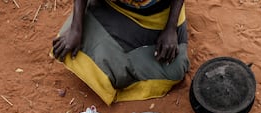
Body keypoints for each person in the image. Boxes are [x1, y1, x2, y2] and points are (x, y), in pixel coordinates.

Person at [52, 0, 190, 105]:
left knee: (175, 69)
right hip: (114, 7)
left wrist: (171, 28)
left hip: (157, 17)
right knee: (73, 52)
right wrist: (76, 29)